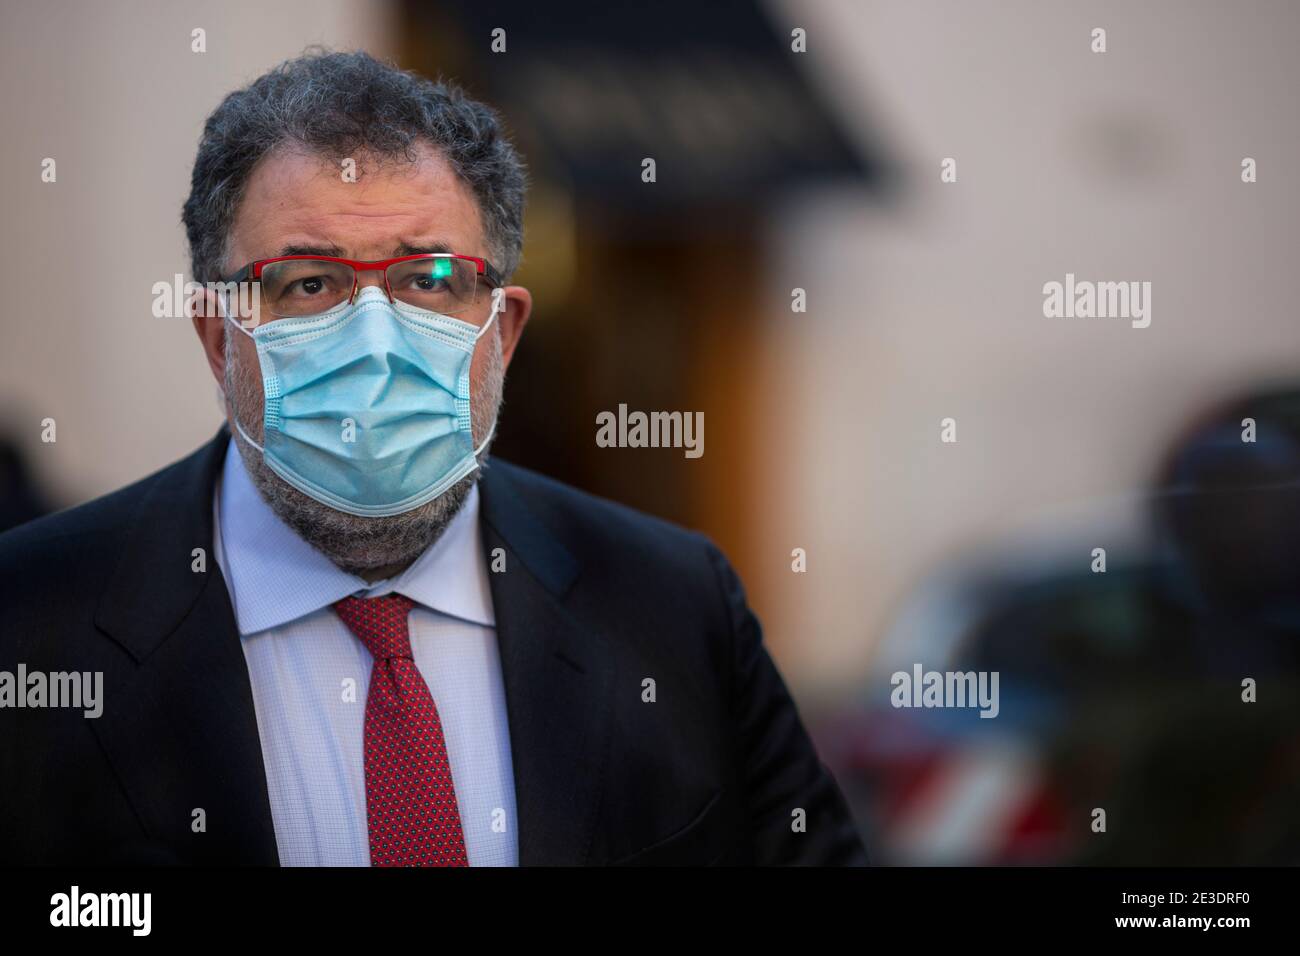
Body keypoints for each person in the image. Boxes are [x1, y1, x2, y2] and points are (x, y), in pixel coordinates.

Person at [0, 49, 867, 867]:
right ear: (218, 335)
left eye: (428, 279)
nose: (375, 345)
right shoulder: (31, 623)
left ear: (504, 332)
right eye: (309, 282)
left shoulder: (672, 607)